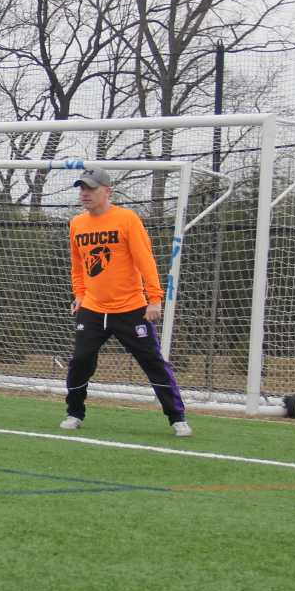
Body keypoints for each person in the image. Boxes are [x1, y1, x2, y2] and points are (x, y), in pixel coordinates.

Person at [60, 167, 191, 437]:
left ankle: (177, 417)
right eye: (82, 188)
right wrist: (80, 295)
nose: (84, 193)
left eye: (91, 188)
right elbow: (78, 265)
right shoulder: (77, 224)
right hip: (93, 309)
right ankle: (74, 413)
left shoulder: (127, 219)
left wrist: (154, 299)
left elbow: (145, 260)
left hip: (130, 309)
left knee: (152, 361)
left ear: (107, 191)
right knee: (81, 361)